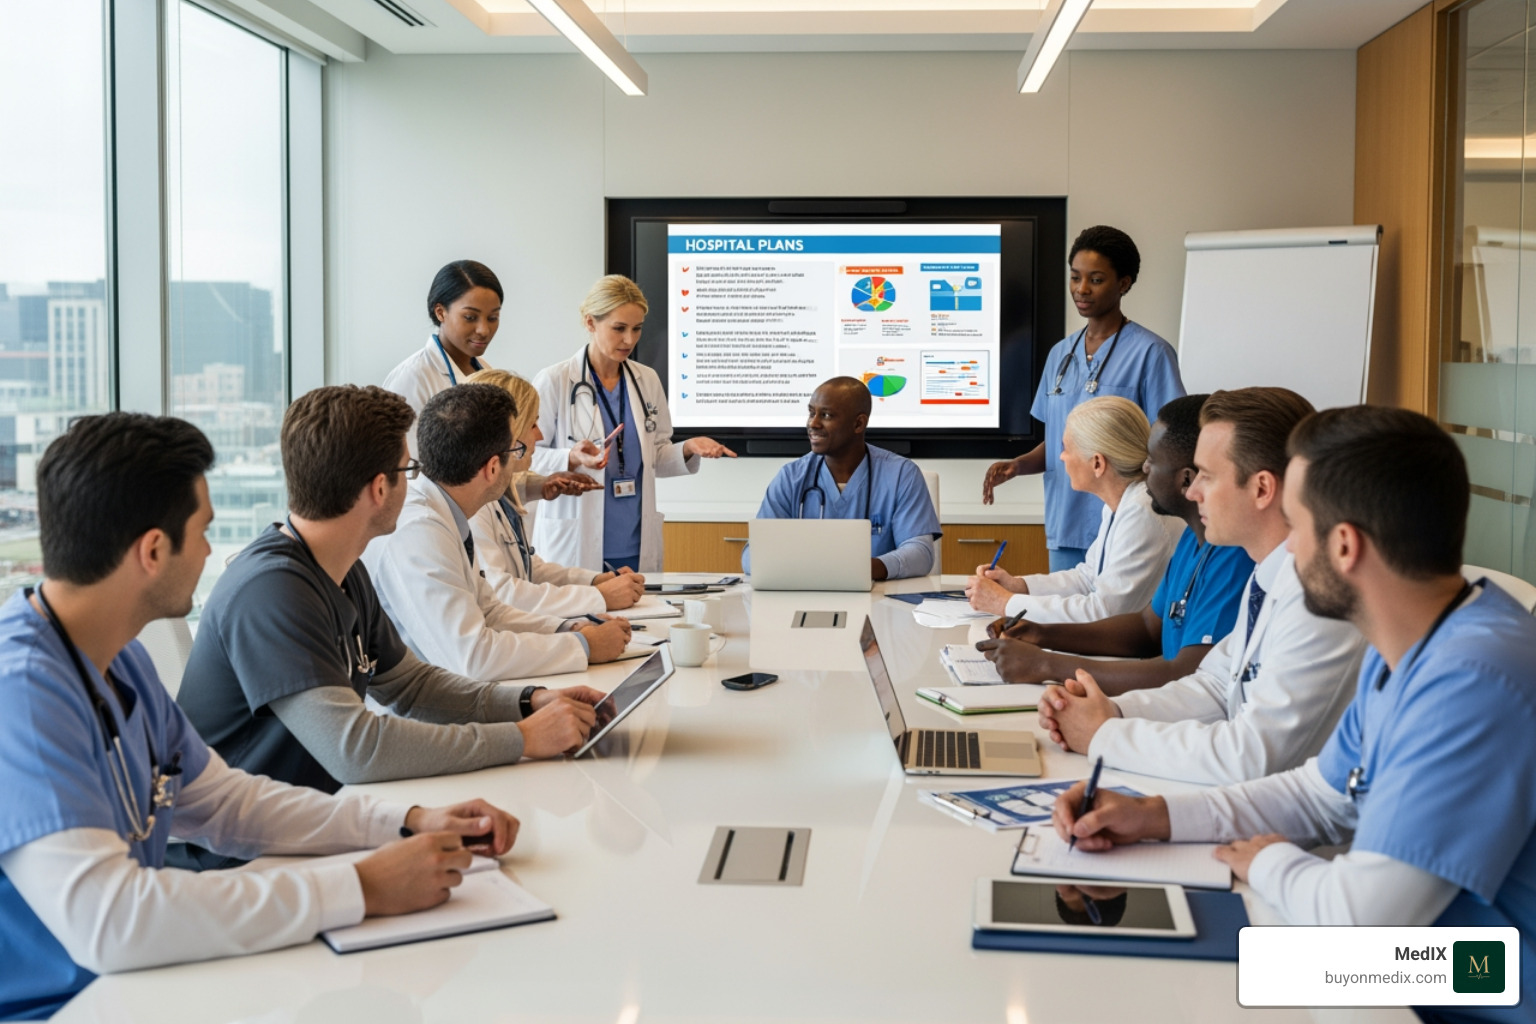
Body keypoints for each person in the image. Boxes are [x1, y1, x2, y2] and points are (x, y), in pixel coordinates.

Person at [0, 412, 519, 1020]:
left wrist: (406, 820)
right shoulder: (24, 695)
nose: (211, 550)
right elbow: (111, 923)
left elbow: (225, 802)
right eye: (203, 531)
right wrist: (359, 888)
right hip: (61, 1005)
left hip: (134, 982)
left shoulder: (121, 661)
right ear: (152, 550)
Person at [1052, 407, 1535, 1024]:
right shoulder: (1417, 646)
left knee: (1192, 987)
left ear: (1343, 546)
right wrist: (1153, 817)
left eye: (1297, 526)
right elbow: (1319, 795)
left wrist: (1270, 860)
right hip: (1420, 960)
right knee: (1175, 969)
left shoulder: (1472, 681)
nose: (1285, 548)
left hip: (1467, 978)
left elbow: (1360, 916)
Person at [177, 385, 607, 811]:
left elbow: (411, 686)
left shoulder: (345, 571)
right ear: (380, 488)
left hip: (317, 816)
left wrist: (528, 702)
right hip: (238, 855)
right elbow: (356, 749)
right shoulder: (270, 592)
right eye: (409, 470)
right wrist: (523, 738)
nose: (415, 483)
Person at [1036, 388, 1365, 785]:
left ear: (1261, 488)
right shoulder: (1267, 575)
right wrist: (1114, 712)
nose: (1191, 491)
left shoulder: (1319, 597)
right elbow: (1212, 686)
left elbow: (1250, 756)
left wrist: (1106, 733)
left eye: (1206, 475)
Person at [977, 394, 1253, 692]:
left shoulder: (1225, 548)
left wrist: (1045, 662)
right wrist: (1040, 632)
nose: (1143, 470)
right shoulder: (1191, 537)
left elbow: (1188, 674)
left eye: (1152, 461)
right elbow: (1146, 628)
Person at [363, 384, 633, 680]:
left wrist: (568, 628)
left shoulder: (445, 511)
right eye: (515, 449)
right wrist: (583, 646)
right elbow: (475, 657)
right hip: (421, 711)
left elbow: (489, 611)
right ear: (492, 467)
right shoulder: (420, 531)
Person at [982, 226, 1185, 573]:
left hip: (1128, 521)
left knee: (1114, 620)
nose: (1082, 289)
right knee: (1066, 615)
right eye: (1075, 277)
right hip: (1066, 523)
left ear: (1124, 283)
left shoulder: (1151, 353)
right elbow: (1060, 443)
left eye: (1096, 279)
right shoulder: (1060, 354)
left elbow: (1170, 442)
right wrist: (1019, 465)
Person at [530, 274, 736, 573]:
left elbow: (655, 457)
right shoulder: (555, 381)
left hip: (634, 541)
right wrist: (570, 457)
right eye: (619, 328)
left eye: (637, 328)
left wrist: (688, 448)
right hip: (575, 540)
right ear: (590, 323)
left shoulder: (646, 379)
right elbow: (526, 457)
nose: (629, 339)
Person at [382, 258, 596, 502]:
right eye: (470, 317)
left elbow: (495, 464)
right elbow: (407, 477)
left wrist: (543, 484)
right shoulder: (413, 378)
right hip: (436, 520)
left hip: (481, 518)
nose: (484, 329)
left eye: (493, 318)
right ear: (440, 311)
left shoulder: (484, 370)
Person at [967, 396, 1183, 622]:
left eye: (1067, 448)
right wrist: (1017, 586)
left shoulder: (1142, 512)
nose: (1061, 457)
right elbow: (1088, 578)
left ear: (1097, 463)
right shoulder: (1122, 504)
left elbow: (1104, 612)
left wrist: (1005, 603)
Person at [465, 368, 647, 617]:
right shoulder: (474, 505)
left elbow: (527, 567)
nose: (539, 435)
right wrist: (598, 597)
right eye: (533, 424)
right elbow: (503, 593)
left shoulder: (496, 493)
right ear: (508, 431)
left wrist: (595, 581)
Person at [741, 376, 941, 581]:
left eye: (826, 415)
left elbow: (920, 553)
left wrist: (863, 569)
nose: (813, 423)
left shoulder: (901, 474)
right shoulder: (791, 477)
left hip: (880, 601)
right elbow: (752, 555)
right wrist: (819, 569)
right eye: (811, 413)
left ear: (858, 423)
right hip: (804, 601)